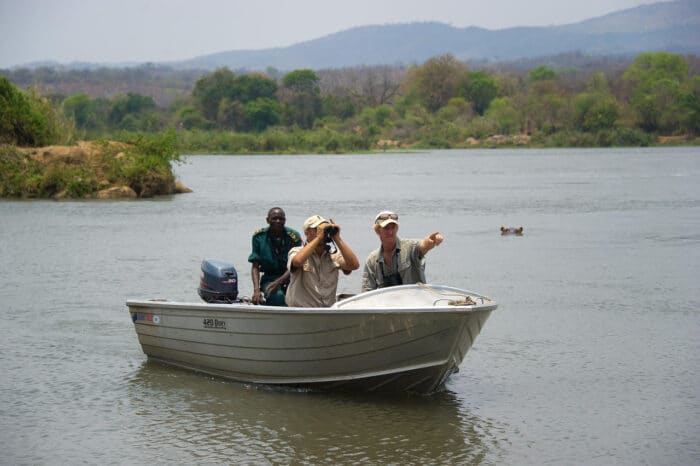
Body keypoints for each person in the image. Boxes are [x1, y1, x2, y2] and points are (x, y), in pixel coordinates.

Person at [285, 215, 360, 307]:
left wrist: (336, 237)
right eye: (316, 229)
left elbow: (354, 265)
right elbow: (297, 261)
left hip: (326, 312)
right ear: (306, 233)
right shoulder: (296, 251)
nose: (321, 233)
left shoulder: (333, 255)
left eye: (324, 230)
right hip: (302, 312)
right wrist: (319, 238)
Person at [361, 210, 444, 292]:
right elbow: (367, 291)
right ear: (378, 230)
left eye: (393, 227)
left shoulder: (410, 247)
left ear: (397, 228)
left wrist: (431, 241)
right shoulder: (371, 260)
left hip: (415, 302)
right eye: (386, 228)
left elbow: (423, 246)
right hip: (387, 304)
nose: (390, 232)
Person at [248, 207, 302, 306]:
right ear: (267, 220)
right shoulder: (259, 237)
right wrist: (256, 290)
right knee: (278, 297)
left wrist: (279, 282)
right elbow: (255, 266)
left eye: (281, 219)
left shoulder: (294, 237)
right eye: (274, 218)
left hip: (291, 277)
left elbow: (295, 265)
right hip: (270, 278)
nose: (278, 221)